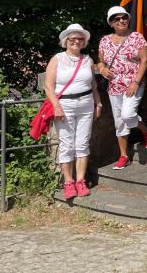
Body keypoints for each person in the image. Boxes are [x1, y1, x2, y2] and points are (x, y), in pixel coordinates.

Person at [44, 24, 102, 200]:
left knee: (83, 143)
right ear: (66, 41)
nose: (76, 41)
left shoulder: (88, 60)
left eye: (80, 39)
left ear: (84, 42)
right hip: (65, 105)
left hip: (85, 103)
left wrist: (98, 103)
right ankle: (68, 182)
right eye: (72, 39)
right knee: (67, 144)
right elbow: (48, 85)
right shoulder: (57, 59)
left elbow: (93, 85)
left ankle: (81, 180)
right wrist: (56, 106)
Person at [97, 6, 147, 172]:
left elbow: (144, 61)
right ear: (111, 23)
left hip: (133, 84)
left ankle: (146, 131)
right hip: (114, 86)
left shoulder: (136, 37)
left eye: (124, 17)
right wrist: (101, 69)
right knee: (119, 122)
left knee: (128, 114)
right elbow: (100, 61)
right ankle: (123, 156)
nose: (121, 20)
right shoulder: (105, 41)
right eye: (117, 18)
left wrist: (136, 82)